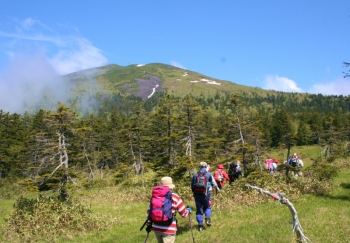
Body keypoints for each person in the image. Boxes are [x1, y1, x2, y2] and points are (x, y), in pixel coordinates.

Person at [146, 176, 192, 243]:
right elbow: (184, 214)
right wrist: (188, 210)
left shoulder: (155, 197)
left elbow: (149, 212)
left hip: (156, 227)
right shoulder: (175, 197)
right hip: (169, 228)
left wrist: (149, 224)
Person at [191, 162, 215, 231]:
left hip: (197, 194)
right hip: (205, 194)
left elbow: (192, 185)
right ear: (206, 166)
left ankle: (200, 226)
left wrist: (194, 192)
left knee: (199, 210)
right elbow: (211, 183)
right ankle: (207, 219)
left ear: (200, 166)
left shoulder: (195, 175)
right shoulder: (208, 174)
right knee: (207, 206)